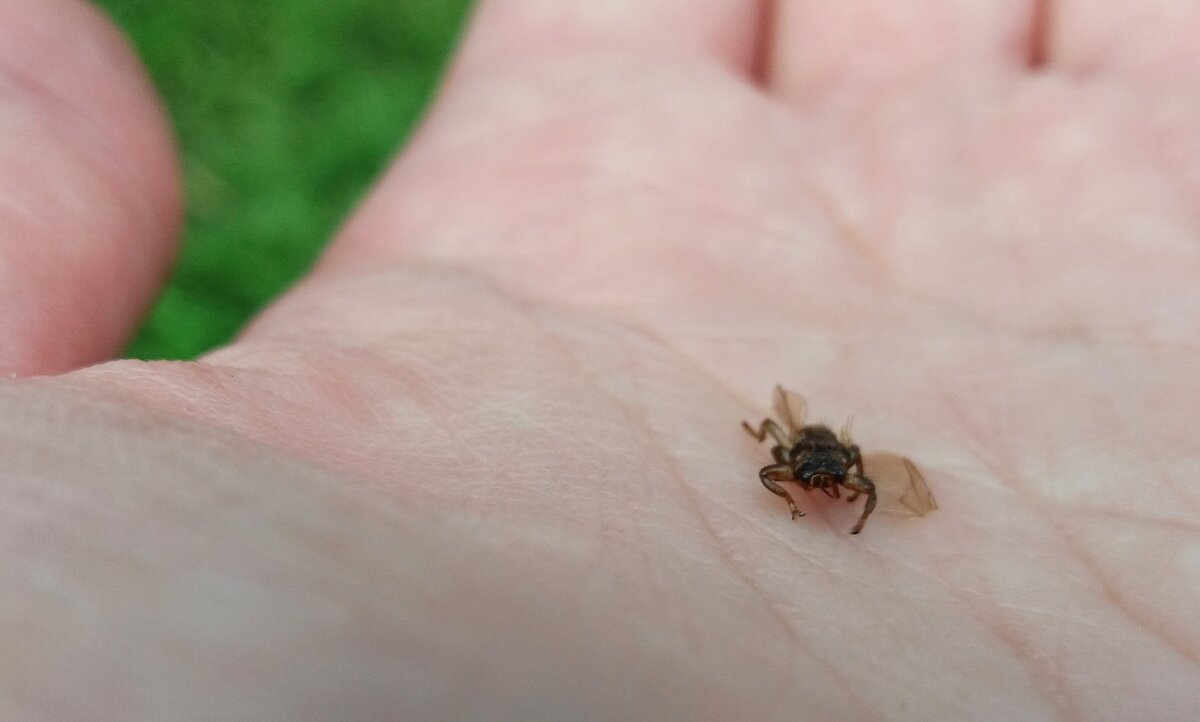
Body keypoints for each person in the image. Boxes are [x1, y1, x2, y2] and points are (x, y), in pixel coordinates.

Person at [2, 1, 1196, 719]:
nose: (827, 488)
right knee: (770, 440)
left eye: (830, 486)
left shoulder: (849, 469)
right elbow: (787, 457)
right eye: (820, 485)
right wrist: (790, 495)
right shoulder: (797, 457)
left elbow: (856, 474)